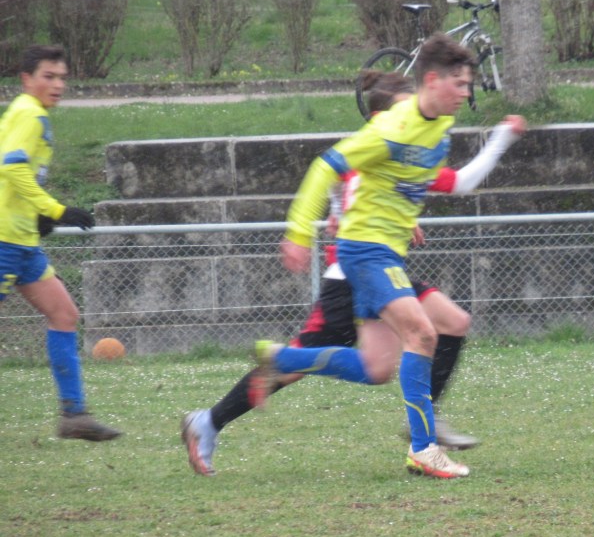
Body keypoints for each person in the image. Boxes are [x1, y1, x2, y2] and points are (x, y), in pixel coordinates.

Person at [180, 70, 521, 476]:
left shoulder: (402, 150)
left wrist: (398, 213)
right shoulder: (377, 149)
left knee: (447, 324)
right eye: (404, 108)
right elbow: (346, 190)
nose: (413, 116)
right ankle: (210, 420)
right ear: (381, 115)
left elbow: (398, 190)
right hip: (350, 279)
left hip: (381, 268)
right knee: (301, 367)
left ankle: (426, 421)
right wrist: (322, 225)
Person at [0, 45, 121, 442]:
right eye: (48, 77)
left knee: (64, 314)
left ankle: (74, 415)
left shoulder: (27, 112)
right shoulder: (29, 113)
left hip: (22, 241)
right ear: (26, 79)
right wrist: (55, 210)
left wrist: (37, 218)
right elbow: (12, 166)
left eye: (62, 77)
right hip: (3, 240)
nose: (57, 85)